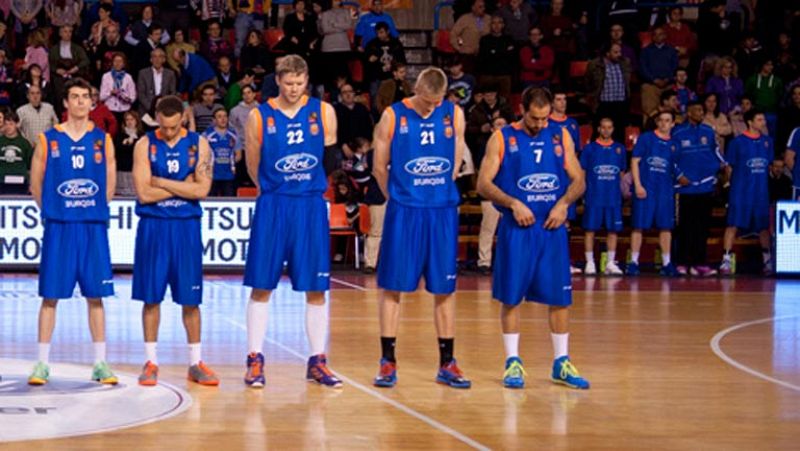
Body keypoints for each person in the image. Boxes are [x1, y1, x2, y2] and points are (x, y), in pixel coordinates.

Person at [476, 87, 589, 390]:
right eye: (534, 117)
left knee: (560, 298)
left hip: (551, 228)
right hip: (517, 229)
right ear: (521, 109)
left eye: (545, 117)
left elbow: (579, 179)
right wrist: (512, 203)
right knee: (512, 298)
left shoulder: (559, 135)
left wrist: (564, 204)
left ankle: (561, 363)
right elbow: (483, 183)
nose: (540, 124)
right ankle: (513, 362)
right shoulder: (502, 138)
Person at [243, 55, 342, 388]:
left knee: (316, 287)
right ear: (278, 80)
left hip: (310, 205)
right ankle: (255, 359)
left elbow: (329, 159)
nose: (294, 89)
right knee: (262, 285)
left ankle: (317, 360)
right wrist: (273, 189)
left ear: (306, 80)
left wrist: (304, 184)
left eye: (300, 84)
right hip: (273, 203)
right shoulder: (259, 116)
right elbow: (252, 164)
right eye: (289, 84)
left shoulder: (323, 111)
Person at [371, 66, 470, 389]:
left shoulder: (453, 114)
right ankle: (387, 361)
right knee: (393, 286)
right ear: (416, 90)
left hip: (441, 211)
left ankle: (448, 362)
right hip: (405, 210)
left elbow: (456, 162)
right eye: (427, 101)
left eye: (436, 101)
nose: (431, 107)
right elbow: (379, 167)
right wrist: (399, 198)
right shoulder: (393, 115)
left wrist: (436, 190)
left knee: (445, 289)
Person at [27, 77, 118, 386]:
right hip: (60, 227)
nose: (80, 102)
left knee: (96, 296)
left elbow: (109, 183)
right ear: (65, 103)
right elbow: (35, 183)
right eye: (75, 97)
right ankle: (41, 364)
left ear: (92, 103)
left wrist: (90, 209)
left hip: (91, 227)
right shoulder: (47, 139)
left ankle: (100, 363)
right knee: (50, 296)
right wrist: (53, 209)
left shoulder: (102, 139)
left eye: (85, 97)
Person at [131, 95, 219, 386]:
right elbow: (144, 194)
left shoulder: (199, 144)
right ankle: (151, 361)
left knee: (190, 299)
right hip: (153, 227)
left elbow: (202, 190)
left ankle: (195, 362)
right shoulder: (144, 144)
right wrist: (184, 186)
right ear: (156, 117)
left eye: (173, 127)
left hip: (186, 228)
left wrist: (163, 183)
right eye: (163, 127)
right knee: (151, 297)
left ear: (183, 118)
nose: (168, 132)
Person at [672, 100, 725, 277]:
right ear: (688, 113)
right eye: (697, 110)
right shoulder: (678, 132)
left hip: (705, 186)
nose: (701, 113)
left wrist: (720, 169)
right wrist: (679, 176)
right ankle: (681, 262)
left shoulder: (709, 131)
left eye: (702, 110)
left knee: (702, 227)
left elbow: (716, 153)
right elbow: (671, 158)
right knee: (684, 227)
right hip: (685, 188)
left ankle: (700, 263)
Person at [720, 110, 773, 276]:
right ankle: (726, 260)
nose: (763, 122)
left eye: (763, 119)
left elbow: (769, 165)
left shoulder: (767, 142)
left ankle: (767, 260)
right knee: (732, 225)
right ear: (750, 122)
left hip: (761, 192)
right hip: (740, 191)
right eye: (759, 119)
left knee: (763, 227)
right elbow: (729, 167)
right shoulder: (737, 142)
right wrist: (728, 186)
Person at [626, 111, 679, 277]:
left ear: (673, 124)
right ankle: (633, 262)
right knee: (638, 226)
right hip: (646, 188)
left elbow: (675, 169)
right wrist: (638, 185)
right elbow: (634, 161)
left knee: (666, 227)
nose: (664, 124)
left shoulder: (675, 144)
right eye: (661, 120)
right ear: (657, 122)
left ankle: (667, 263)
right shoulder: (646, 138)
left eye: (667, 121)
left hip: (664, 191)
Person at [581, 118, 626, 276]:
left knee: (613, 230)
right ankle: (590, 262)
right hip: (594, 196)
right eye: (603, 127)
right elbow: (583, 174)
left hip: (613, 197)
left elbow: (620, 174)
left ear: (613, 129)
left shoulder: (619, 149)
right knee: (590, 230)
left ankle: (610, 263)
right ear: (599, 129)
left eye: (609, 127)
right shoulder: (590, 149)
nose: (606, 130)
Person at [204, 107, 240, 197]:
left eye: (225, 116)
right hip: (211, 176)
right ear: (214, 120)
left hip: (229, 176)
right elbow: (201, 154)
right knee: (210, 202)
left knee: (230, 201)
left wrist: (230, 162)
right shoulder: (206, 135)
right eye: (219, 117)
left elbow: (239, 155)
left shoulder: (234, 134)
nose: (223, 119)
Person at [0, 109, 34, 194]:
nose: (8, 127)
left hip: (21, 184)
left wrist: (31, 183)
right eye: (6, 124)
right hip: (1, 183)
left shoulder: (24, 143)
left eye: (11, 124)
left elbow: (31, 166)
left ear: (17, 124)